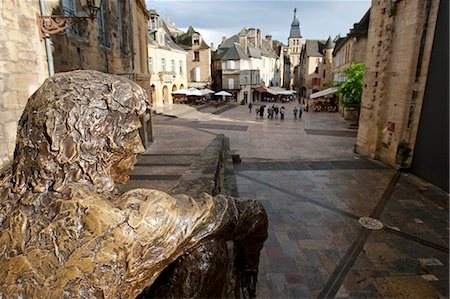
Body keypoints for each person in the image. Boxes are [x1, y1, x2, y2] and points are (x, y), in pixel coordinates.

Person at [0, 70, 268, 298]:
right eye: (129, 135)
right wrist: (248, 266)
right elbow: (252, 215)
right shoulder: (129, 220)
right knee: (207, 252)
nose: (139, 147)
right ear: (75, 145)